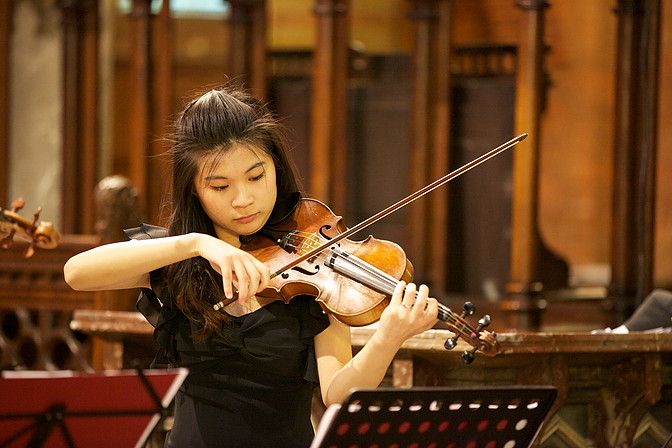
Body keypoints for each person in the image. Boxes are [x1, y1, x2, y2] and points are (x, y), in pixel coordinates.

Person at [64, 87, 439, 447]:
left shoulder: (315, 269)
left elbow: (337, 394)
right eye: (220, 187)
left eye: (256, 177)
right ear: (194, 189)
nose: (243, 199)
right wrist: (196, 243)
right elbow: (77, 273)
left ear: (276, 167)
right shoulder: (180, 262)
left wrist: (387, 338)